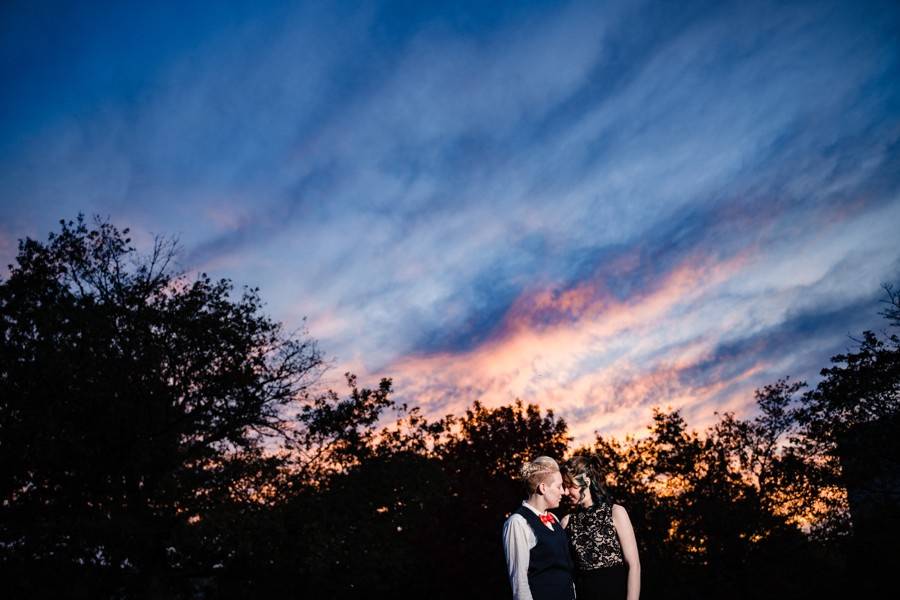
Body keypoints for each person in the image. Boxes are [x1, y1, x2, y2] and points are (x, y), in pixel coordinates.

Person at [561, 454, 640, 600]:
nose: (565, 492)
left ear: (585, 482)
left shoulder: (616, 512)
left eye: (570, 485)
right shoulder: (566, 522)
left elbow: (634, 565)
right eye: (563, 487)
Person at [502, 456, 575, 600]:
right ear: (543, 488)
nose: (563, 492)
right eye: (559, 486)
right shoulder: (518, 522)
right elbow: (519, 583)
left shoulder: (554, 519)